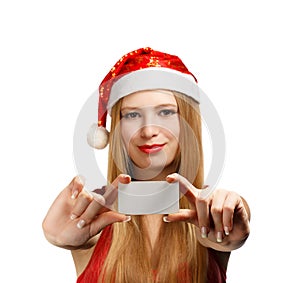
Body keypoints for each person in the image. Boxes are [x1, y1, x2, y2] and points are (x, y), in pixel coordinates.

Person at [42, 47, 250, 283]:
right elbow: (78, 236)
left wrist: (227, 223)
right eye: (132, 115)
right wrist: (58, 237)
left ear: (187, 122)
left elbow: (231, 227)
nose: (149, 131)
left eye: (165, 112)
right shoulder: (93, 218)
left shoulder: (212, 212)